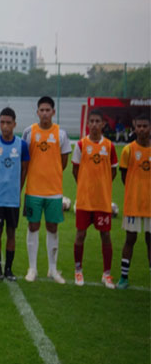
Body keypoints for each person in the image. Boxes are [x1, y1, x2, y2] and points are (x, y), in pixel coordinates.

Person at [22, 96, 72, 283]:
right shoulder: (29, 132)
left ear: (53, 112)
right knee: (33, 226)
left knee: (52, 227)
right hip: (33, 189)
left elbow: (63, 162)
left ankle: (53, 269)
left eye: (47, 110)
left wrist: (52, 174)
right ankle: (32, 268)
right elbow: (25, 160)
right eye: (41, 110)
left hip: (54, 191)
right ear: (37, 112)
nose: (44, 113)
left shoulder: (61, 133)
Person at [71, 110, 118, 289]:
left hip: (102, 200)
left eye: (98, 121)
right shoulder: (81, 145)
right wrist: (85, 186)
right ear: (87, 124)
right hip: (84, 200)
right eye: (92, 121)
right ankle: (78, 270)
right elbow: (75, 170)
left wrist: (102, 186)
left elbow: (113, 170)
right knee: (80, 234)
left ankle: (106, 274)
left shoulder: (109, 146)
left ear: (103, 124)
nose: (95, 124)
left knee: (105, 235)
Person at [0, 107, 29, 281]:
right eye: (2, 122)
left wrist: (18, 190)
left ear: (14, 124)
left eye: (8, 123)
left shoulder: (22, 145)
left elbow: (24, 170)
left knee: (11, 233)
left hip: (12, 199)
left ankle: (8, 269)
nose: (4, 126)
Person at [117, 114, 151, 289]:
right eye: (139, 126)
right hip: (134, 204)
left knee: (150, 241)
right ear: (134, 127)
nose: (142, 129)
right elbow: (124, 176)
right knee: (130, 239)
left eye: (145, 126)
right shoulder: (128, 150)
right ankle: (124, 277)